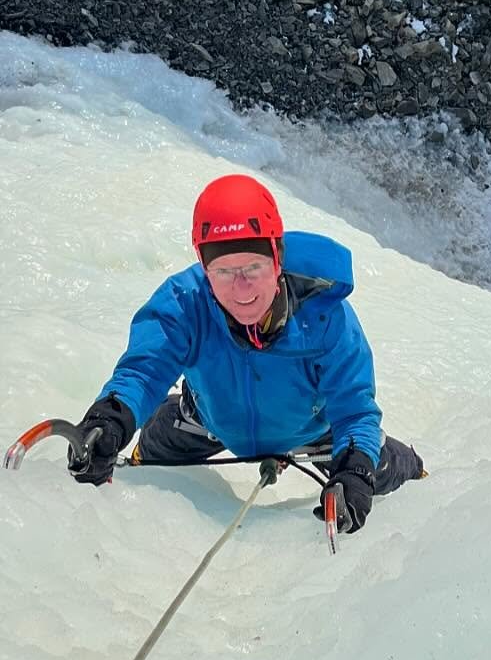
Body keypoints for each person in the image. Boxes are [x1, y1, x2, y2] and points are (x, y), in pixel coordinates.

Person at [68, 174, 423, 533]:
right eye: (223, 271)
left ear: (277, 258)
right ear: (204, 268)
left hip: (315, 429)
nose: (241, 288)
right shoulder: (184, 304)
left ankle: (418, 472)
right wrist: (110, 419)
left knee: (374, 466)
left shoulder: (324, 316)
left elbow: (355, 411)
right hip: (209, 418)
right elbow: (144, 374)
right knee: (153, 449)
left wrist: (355, 470)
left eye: (254, 266)